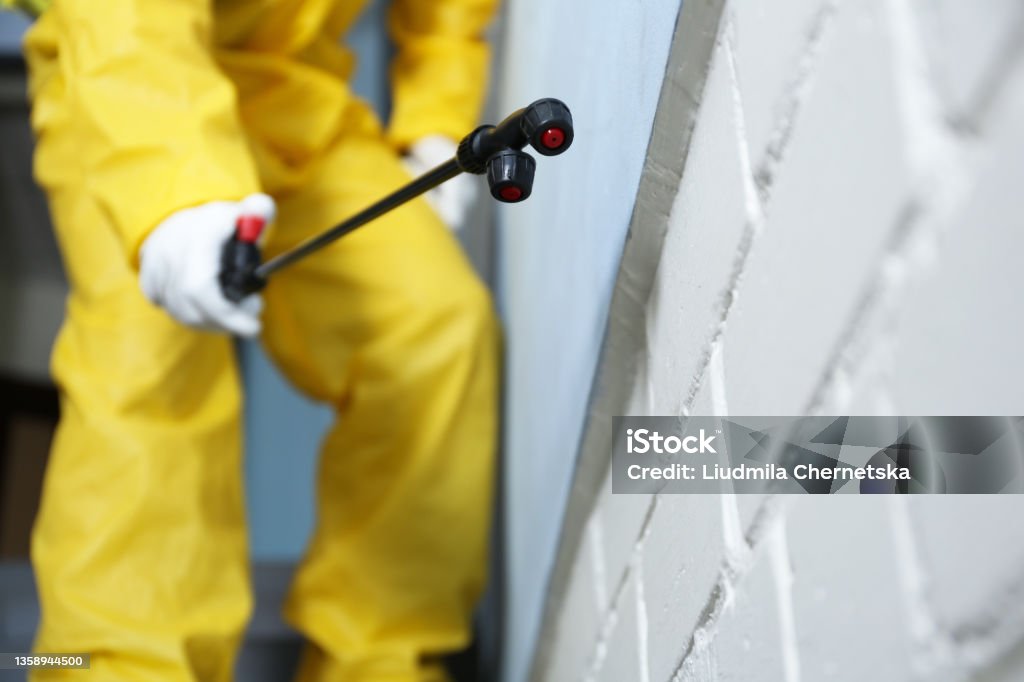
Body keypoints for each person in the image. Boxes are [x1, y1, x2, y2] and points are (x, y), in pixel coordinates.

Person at [4, 0, 500, 679]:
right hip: (125, 80)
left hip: (293, 96)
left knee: (433, 326)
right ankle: (120, 667)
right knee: (149, 365)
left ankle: (379, 658)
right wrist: (172, 195)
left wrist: (437, 120)